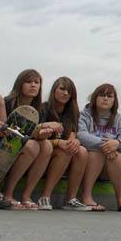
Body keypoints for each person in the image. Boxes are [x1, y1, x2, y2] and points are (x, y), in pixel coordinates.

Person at [78, 83, 121, 212]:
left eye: (109, 96)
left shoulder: (120, 119)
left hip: (110, 169)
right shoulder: (85, 115)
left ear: (114, 100)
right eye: (102, 95)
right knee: (96, 153)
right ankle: (86, 196)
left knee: (119, 157)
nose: (105, 98)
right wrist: (106, 145)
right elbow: (81, 135)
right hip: (87, 166)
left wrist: (117, 144)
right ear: (94, 98)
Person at [1, 69, 53, 209]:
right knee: (31, 146)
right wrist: (36, 132)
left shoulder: (39, 108)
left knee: (47, 145)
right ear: (19, 84)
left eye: (37, 82)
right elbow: (7, 129)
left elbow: (34, 132)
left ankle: (26, 195)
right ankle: (8, 194)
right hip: (4, 144)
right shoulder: (8, 102)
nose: (33, 85)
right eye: (28, 81)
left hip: (24, 143)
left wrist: (43, 133)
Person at [36, 77, 90, 211]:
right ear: (54, 90)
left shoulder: (72, 112)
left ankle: (70, 199)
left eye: (69, 91)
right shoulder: (43, 108)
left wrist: (75, 141)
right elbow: (36, 137)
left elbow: (72, 134)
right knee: (65, 151)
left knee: (81, 151)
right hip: (42, 153)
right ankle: (45, 196)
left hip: (62, 154)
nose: (65, 93)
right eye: (62, 89)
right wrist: (57, 142)